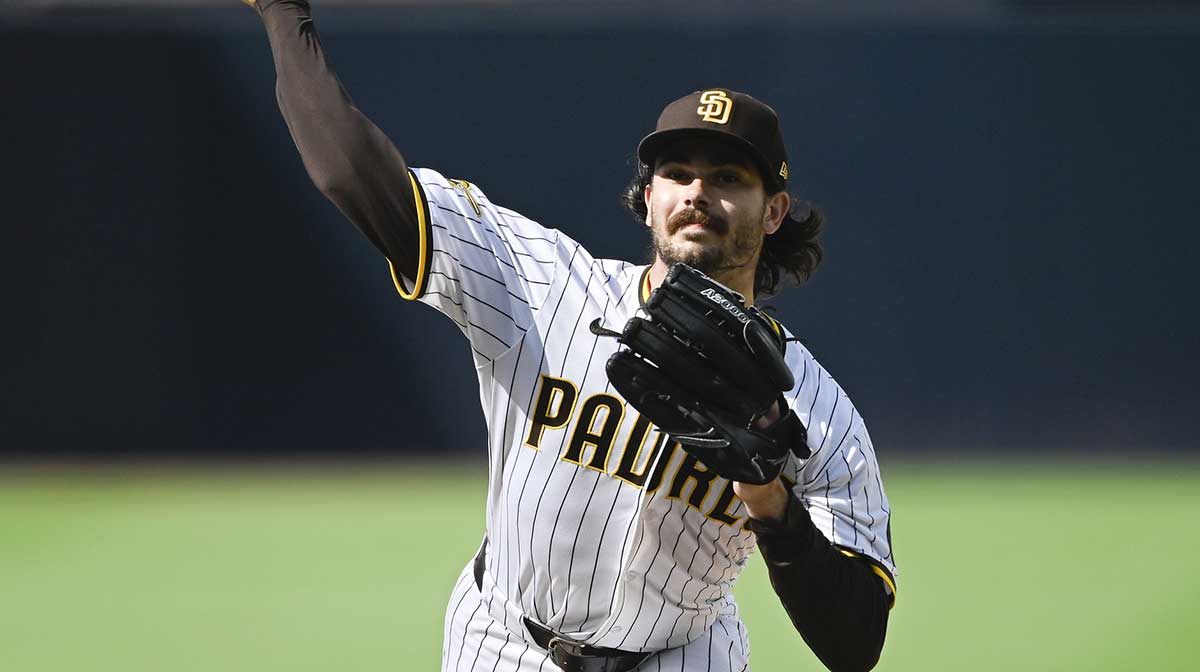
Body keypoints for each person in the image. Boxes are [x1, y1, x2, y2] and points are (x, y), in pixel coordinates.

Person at [243, 2, 897, 670]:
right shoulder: (542, 283)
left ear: (775, 211)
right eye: (676, 173)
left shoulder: (814, 409)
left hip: (682, 654)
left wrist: (770, 502)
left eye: (728, 177)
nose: (696, 192)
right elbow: (352, 174)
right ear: (647, 196)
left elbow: (856, 642)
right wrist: (280, 13)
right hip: (505, 642)